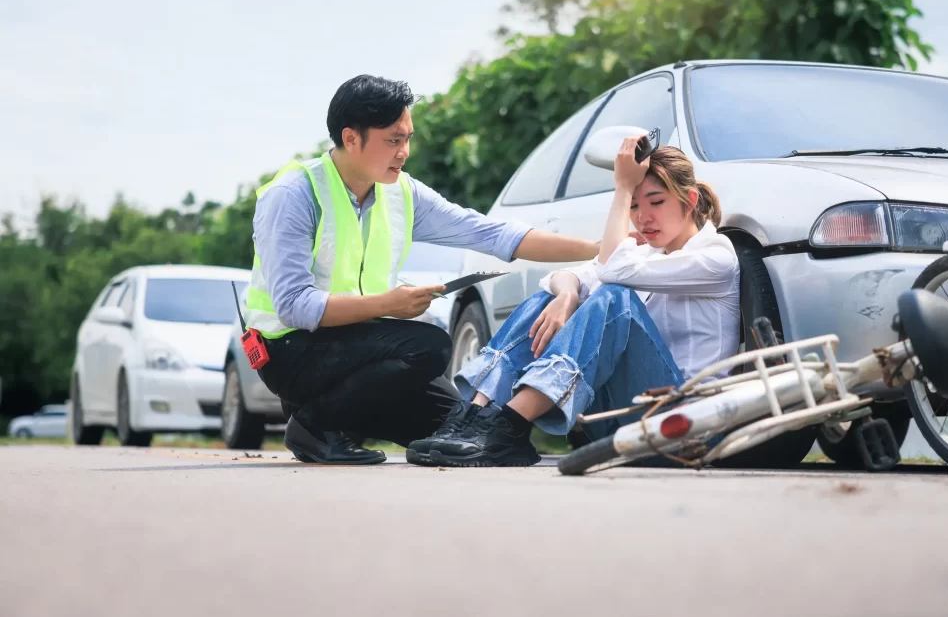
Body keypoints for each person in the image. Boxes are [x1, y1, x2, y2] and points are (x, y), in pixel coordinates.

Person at [245, 74, 600, 465]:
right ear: (351, 138)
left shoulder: (401, 191)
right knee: (430, 345)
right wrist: (391, 304)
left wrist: (598, 250)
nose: (404, 152)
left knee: (457, 427)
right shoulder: (293, 195)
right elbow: (294, 306)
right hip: (290, 351)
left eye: (408, 138)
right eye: (393, 140)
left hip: (358, 350)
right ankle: (313, 426)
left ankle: (340, 421)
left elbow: (491, 234)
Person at [406, 136, 741, 467]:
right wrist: (566, 295)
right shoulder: (647, 254)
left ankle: (508, 426)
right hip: (624, 418)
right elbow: (559, 277)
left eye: (656, 202)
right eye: (635, 205)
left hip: (685, 426)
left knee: (616, 298)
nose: (643, 218)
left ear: (689, 200)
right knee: (548, 300)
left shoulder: (715, 257)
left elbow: (612, 270)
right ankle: (477, 417)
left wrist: (623, 188)